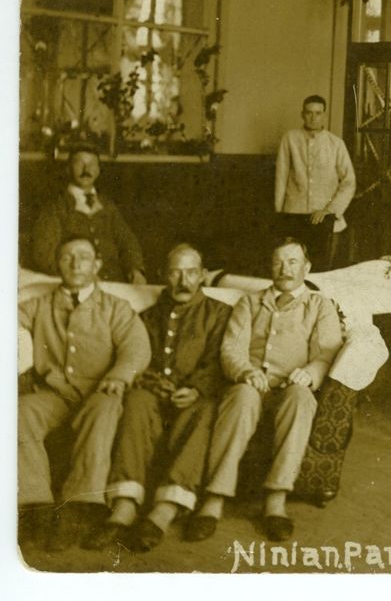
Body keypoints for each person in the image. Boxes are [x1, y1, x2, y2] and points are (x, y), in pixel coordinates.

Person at [185, 238, 343, 542]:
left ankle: (275, 502)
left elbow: (326, 352)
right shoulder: (250, 302)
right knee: (242, 397)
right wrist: (245, 371)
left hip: (291, 387)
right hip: (252, 384)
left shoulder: (320, 305)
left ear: (307, 267)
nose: (285, 269)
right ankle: (214, 500)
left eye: (293, 262)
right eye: (278, 262)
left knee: (300, 399)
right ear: (270, 267)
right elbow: (232, 348)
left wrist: (309, 375)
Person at [84, 244, 232, 552]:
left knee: (203, 410)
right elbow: (136, 356)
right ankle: (124, 506)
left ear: (202, 275)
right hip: (154, 394)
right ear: (164, 275)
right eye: (176, 272)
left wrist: (197, 388)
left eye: (191, 272)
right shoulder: (148, 317)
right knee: (136, 401)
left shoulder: (219, 314)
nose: (183, 280)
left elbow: (220, 361)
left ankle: (164, 511)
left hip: (196, 396)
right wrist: (153, 382)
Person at [17, 236, 151, 551]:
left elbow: (136, 347)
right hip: (56, 394)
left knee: (103, 411)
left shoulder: (115, 308)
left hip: (101, 390)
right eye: (67, 257)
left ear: (97, 265)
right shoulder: (39, 305)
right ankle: (36, 505)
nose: (76, 264)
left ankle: (80, 506)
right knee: (19, 412)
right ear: (57, 264)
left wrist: (119, 377)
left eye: (84, 257)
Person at [31, 145, 147, 284]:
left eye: (92, 164)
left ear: (98, 170)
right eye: (79, 163)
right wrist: (76, 276)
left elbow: (127, 242)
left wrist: (135, 270)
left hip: (115, 283)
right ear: (68, 169)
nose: (86, 170)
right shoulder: (55, 207)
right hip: (75, 283)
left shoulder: (108, 205)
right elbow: (43, 254)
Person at [274, 95, 357, 271]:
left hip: (324, 219)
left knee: (320, 268)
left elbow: (349, 182)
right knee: (292, 266)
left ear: (324, 116)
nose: (313, 118)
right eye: (309, 113)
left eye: (318, 113)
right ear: (302, 114)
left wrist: (330, 210)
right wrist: (279, 213)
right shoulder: (290, 139)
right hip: (294, 214)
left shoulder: (336, 144)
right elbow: (281, 177)